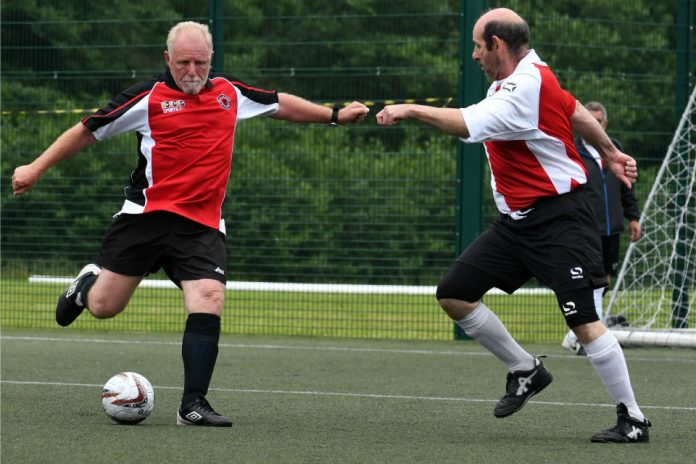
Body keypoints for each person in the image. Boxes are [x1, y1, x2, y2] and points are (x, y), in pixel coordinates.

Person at [12, 21, 369, 427]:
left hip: (201, 225)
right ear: (168, 60)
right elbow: (87, 130)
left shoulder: (229, 93)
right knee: (104, 308)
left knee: (209, 298)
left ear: (211, 59)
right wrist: (35, 168)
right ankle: (87, 285)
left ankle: (193, 404)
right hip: (145, 218)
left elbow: (280, 105)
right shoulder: (148, 98)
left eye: (200, 62)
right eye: (183, 63)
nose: (193, 71)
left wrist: (334, 116)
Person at [375, 8, 650, 443]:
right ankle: (526, 369)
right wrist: (612, 153)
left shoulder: (521, 88)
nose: (473, 55)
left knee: (584, 321)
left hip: (562, 219)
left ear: (497, 45)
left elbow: (466, 122)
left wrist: (409, 109)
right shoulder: (531, 74)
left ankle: (632, 418)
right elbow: (575, 109)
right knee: (454, 295)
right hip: (517, 224)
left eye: (477, 46)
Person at [561, 101, 641, 355]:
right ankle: (582, 335)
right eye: (589, 121)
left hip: (612, 228)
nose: (594, 125)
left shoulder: (615, 150)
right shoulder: (572, 150)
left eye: (599, 122)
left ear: (605, 124)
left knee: (605, 279)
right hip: (585, 228)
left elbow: (627, 185)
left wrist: (633, 217)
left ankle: (581, 333)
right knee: (589, 280)